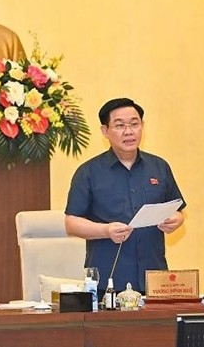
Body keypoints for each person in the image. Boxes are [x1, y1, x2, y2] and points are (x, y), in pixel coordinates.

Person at [65, 98, 186, 295]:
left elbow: (178, 211)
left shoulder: (159, 167)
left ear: (142, 126)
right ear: (105, 131)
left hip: (155, 280)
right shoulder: (88, 172)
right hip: (107, 282)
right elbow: (71, 223)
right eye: (120, 125)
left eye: (134, 124)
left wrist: (175, 221)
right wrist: (106, 230)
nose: (129, 131)